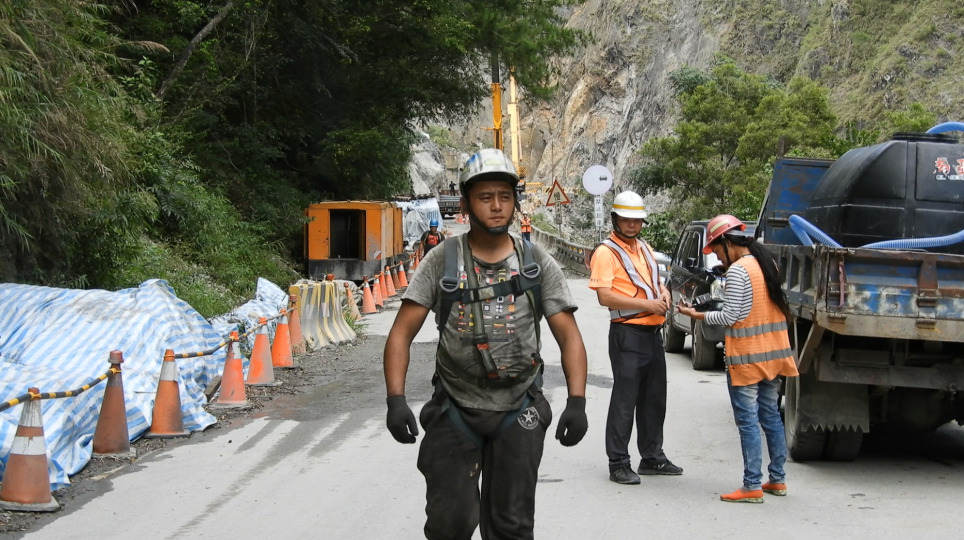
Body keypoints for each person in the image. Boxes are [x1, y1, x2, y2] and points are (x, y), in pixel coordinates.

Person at [383, 147, 589, 540]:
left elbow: (569, 336)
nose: (496, 206)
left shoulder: (536, 263)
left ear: (514, 202)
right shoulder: (442, 260)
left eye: (505, 196)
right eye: (485, 197)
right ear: (465, 203)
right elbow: (400, 333)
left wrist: (576, 402)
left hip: (519, 407)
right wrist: (395, 400)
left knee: (512, 527)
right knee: (449, 524)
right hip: (455, 407)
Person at [676, 214, 799, 503]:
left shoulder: (739, 271)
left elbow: (732, 316)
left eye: (717, 251)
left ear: (727, 243)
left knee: (747, 422)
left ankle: (752, 485)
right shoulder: (766, 263)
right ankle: (777, 479)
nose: (718, 257)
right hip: (773, 356)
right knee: (771, 416)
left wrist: (697, 315)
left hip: (746, 359)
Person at [588, 190, 682, 485]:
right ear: (615, 219)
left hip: (653, 334)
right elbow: (604, 296)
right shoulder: (606, 252)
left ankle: (652, 457)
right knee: (625, 401)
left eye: (637, 220)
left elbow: (655, 282)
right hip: (627, 333)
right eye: (626, 219)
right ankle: (618, 463)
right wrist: (648, 305)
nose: (632, 224)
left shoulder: (643, 247)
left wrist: (663, 293)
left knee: (654, 399)